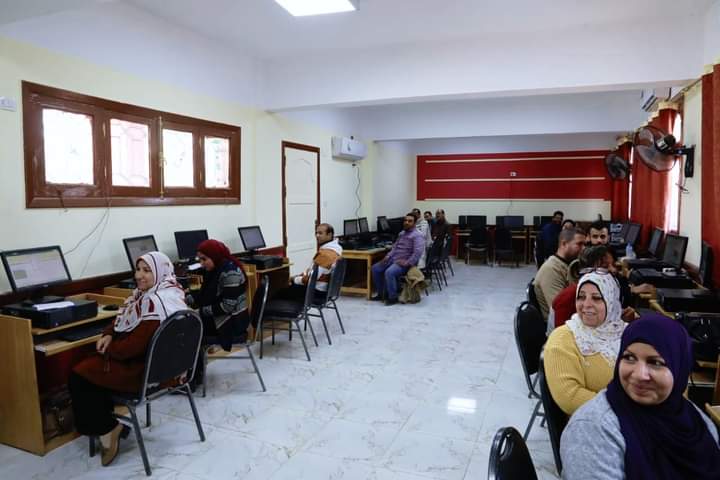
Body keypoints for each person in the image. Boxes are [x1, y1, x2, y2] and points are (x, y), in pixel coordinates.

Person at [560, 314, 720, 479]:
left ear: (679, 368)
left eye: (656, 363)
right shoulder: (594, 429)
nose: (639, 375)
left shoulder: (696, 423)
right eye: (629, 358)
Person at [69, 252, 187, 467]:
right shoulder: (167, 292)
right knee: (90, 368)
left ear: (160, 271)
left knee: (80, 374)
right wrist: (108, 334)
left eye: (147, 270)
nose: (139, 275)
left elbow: (130, 348)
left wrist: (107, 350)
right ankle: (109, 424)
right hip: (164, 367)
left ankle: (108, 429)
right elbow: (122, 319)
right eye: (138, 269)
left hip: (145, 373)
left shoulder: (154, 302)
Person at [544, 271, 626, 416]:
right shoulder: (563, 339)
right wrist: (627, 411)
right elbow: (570, 398)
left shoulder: (627, 331)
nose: (586, 305)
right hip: (598, 422)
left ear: (612, 302)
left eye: (597, 298)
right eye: (581, 297)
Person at [188, 239, 248, 386]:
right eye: (199, 259)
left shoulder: (230, 272)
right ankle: (192, 373)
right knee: (188, 324)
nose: (201, 263)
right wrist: (186, 298)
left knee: (190, 329)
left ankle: (193, 377)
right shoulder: (215, 269)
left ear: (215, 256)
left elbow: (228, 307)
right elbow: (205, 294)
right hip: (224, 317)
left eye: (204, 259)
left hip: (232, 322)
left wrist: (198, 312)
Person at [550, 245, 636, 330]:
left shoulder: (610, 290)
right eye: (604, 267)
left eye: (613, 264)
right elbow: (564, 335)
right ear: (586, 272)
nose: (613, 270)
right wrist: (618, 324)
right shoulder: (568, 298)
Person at [275, 223, 342, 303]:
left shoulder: (325, 255)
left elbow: (310, 279)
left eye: (320, 233)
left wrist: (294, 279)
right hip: (327, 291)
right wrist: (300, 276)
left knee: (278, 291)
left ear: (329, 234)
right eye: (316, 233)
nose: (317, 236)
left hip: (316, 292)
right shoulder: (337, 249)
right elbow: (312, 271)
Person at [371, 213, 425, 305]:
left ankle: (393, 297)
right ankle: (381, 294)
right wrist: (387, 256)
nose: (406, 222)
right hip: (393, 259)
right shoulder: (402, 233)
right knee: (375, 268)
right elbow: (394, 248)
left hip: (404, 263)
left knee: (389, 272)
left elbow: (417, 253)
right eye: (405, 220)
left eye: (410, 221)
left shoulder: (418, 235)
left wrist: (407, 262)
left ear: (414, 223)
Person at [533, 227, 586, 319]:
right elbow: (560, 308)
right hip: (559, 324)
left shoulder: (569, 265)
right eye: (579, 244)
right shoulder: (551, 269)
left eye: (585, 244)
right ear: (564, 244)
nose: (584, 248)